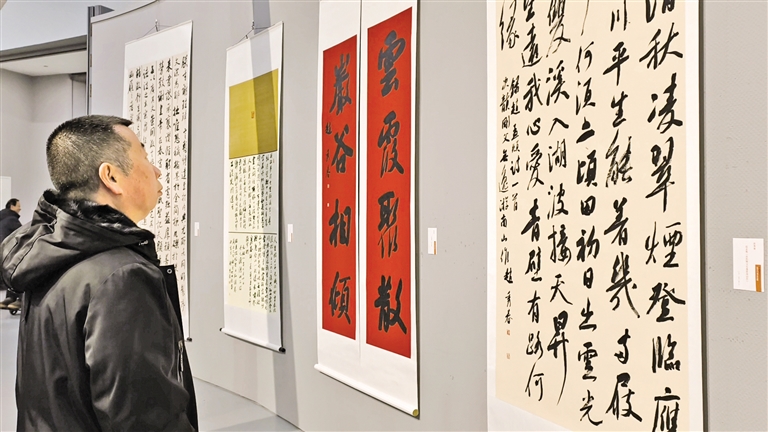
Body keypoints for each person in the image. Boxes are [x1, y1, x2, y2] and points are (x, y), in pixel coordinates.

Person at [0, 115, 197, 431]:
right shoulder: (123, 276)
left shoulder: (46, 257)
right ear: (111, 176)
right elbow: (143, 419)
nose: (157, 171)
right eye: (145, 157)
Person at [0, 198, 22, 310]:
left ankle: (10, 297)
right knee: (21, 270)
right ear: (12, 206)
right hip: (10, 253)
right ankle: (20, 299)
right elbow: (23, 235)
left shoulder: (2, 219)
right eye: (18, 206)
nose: (20, 208)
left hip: (2, 256)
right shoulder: (12, 220)